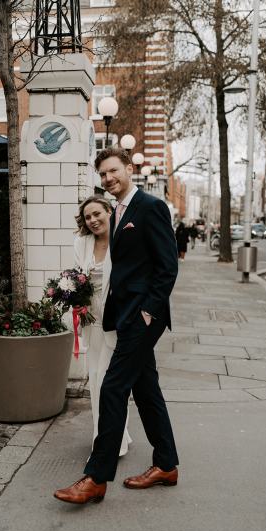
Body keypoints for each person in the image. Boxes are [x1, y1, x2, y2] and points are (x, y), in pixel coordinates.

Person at [54, 147, 179, 504]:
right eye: (103, 175)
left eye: (113, 171)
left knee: (112, 389)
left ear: (128, 168)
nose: (108, 179)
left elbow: (167, 266)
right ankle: (166, 464)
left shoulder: (150, 207)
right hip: (123, 317)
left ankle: (96, 477)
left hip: (142, 318)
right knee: (146, 391)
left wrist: (149, 312)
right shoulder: (119, 212)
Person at [74, 195, 132, 457]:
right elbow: (77, 277)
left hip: (117, 321)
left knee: (110, 381)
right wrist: (73, 296)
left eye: (97, 213)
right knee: (95, 378)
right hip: (91, 320)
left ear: (109, 211)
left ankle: (111, 442)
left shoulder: (123, 239)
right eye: (88, 217)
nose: (93, 220)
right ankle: (111, 434)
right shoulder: (82, 242)